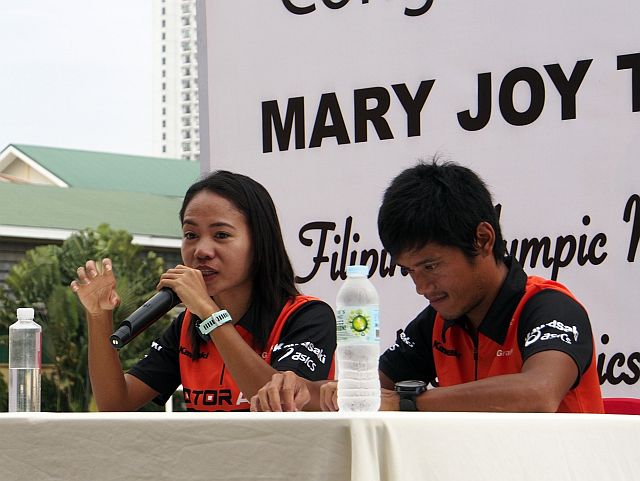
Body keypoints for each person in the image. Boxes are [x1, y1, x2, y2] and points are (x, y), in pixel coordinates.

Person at [251, 159, 604, 413]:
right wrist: (299, 390)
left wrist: (407, 403)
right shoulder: (437, 321)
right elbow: (368, 391)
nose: (422, 286)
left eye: (431, 266)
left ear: (482, 239)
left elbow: (538, 393)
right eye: (409, 271)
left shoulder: (549, 306)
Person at [71, 170, 336, 411]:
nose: (201, 251)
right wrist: (99, 316)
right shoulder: (187, 327)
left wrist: (211, 315)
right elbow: (116, 405)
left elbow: (279, 403)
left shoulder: (308, 316)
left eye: (221, 235)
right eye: (190, 235)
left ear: (260, 242)